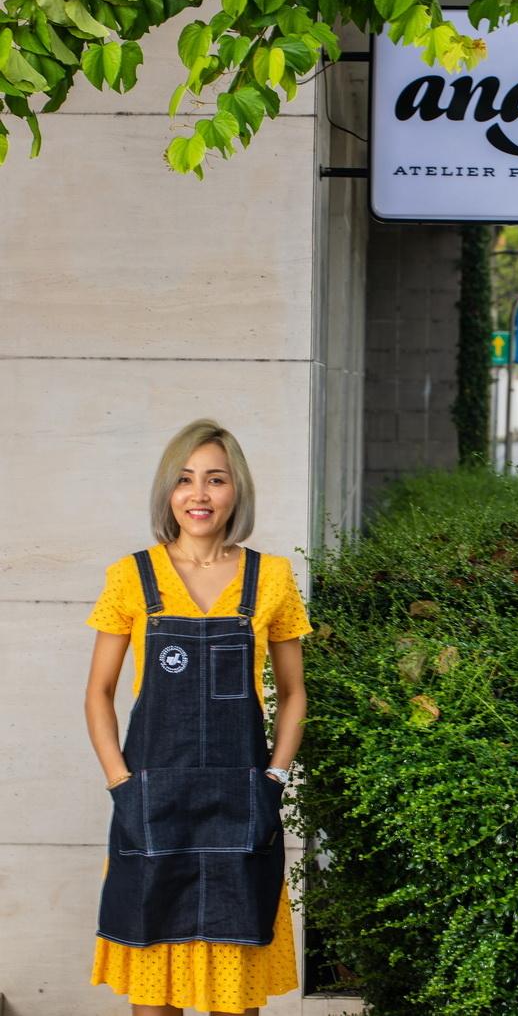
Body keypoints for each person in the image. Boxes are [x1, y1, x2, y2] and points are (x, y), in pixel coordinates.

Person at [84, 419, 311, 1016]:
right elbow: (99, 691)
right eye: (185, 480)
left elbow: (293, 693)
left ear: (237, 491)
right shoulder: (131, 577)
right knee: (155, 987)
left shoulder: (273, 580)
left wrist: (276, 778)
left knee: (236, 995)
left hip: (241, 803)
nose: (199, 494)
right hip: (152, 803)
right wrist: (119, 782)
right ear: (168, 492)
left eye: (215, 479)